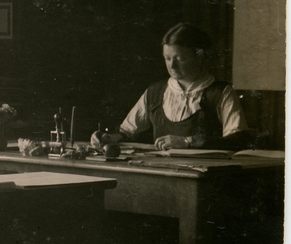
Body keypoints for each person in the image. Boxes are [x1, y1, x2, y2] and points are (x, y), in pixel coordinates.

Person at [94, 23, 251, 151]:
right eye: (167, 58)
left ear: (199, 55)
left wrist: (187, 142)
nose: (172, 66)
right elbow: (127, 131)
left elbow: (238, 140)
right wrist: (109, 138)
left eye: (179, 59)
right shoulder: (155, 92)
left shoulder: (220, 92)